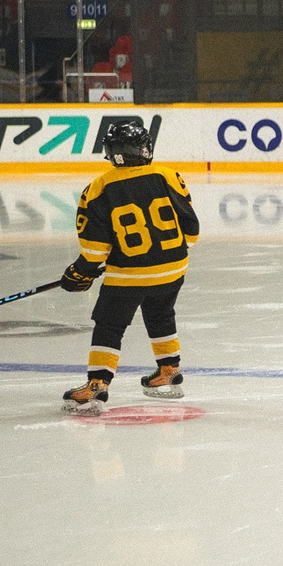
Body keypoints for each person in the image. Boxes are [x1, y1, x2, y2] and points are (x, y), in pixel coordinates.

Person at [60, 117, 199, 414]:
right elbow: (192, 230)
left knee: (110, 324)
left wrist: (79, 273)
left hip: (129, 276)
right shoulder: (168, 175)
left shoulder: (97, 189)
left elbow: (95, 251)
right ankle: (169, 371)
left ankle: (97, 384)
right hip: (174, 268)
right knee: (161, 313)